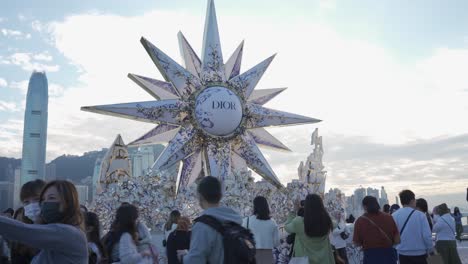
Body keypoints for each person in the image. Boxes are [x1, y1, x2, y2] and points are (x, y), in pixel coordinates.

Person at [0, 180, 88, 263]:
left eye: (51, 198)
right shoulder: (52, 238)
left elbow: (22, 231)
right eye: (43, 200)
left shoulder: (69, 233)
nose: (45, 203)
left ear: (68, 203)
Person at [181, 176, 244, 264]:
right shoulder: (236, 221)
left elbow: (195, 260)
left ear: (200, 197)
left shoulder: (203, 226)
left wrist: (183, 257)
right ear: (220, 196)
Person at [285, 194, 335, 264]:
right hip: (324, 260)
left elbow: (287, 227)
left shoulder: (299, 222)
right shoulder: (326, 221)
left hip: (304, 260)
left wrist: (293, 211)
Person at [353, 196, 400, 264]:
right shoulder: (389, 217)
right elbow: (397, 240)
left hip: (371, 257)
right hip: (389, 255)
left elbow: (356, 243)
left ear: (365, 207)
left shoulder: (360, 221)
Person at [10, 179, 45, 264]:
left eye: (37, 199)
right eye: (26, 202)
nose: (32, 205)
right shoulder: (19, 232)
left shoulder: (58, 229)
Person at [392, 190, 432, 264]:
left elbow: (393, 235)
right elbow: (427, 236)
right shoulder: (421, 215)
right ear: (412, 200)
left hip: (402, 253)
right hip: (420, 253)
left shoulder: (394, 216)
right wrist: (430, 249)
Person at [242, 196, 280, 264]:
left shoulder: (246, 221)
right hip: (268, 256)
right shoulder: (272, 222)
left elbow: (243, 239)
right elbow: (276, 242)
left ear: (254, 207)